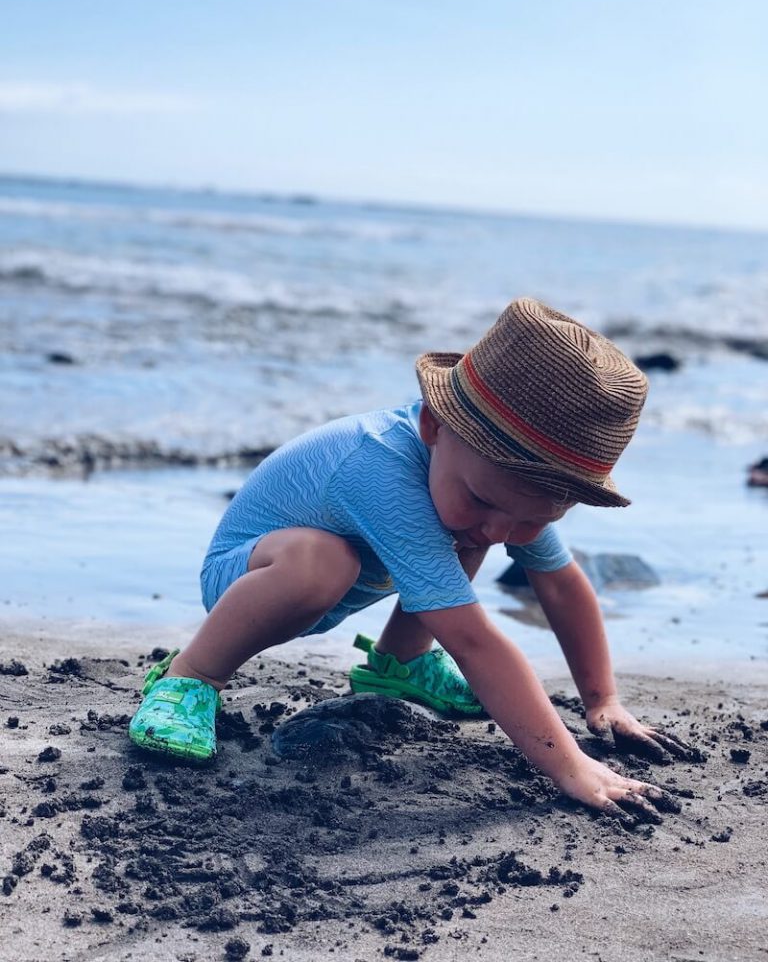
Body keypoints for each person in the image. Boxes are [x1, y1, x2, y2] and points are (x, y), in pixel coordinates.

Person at [129, 298, 689, 821]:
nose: (502, 529)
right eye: (485, 500)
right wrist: (570, 767)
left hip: (352, 570)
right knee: (323, 561)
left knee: (461, 533)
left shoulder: (491, 491)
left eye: (532, 519)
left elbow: (562, 585)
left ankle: (402, 663)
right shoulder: (381, 467)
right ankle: (190, 678)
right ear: (433, 427)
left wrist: (604, 701)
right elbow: (472, 639)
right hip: (252, 579)